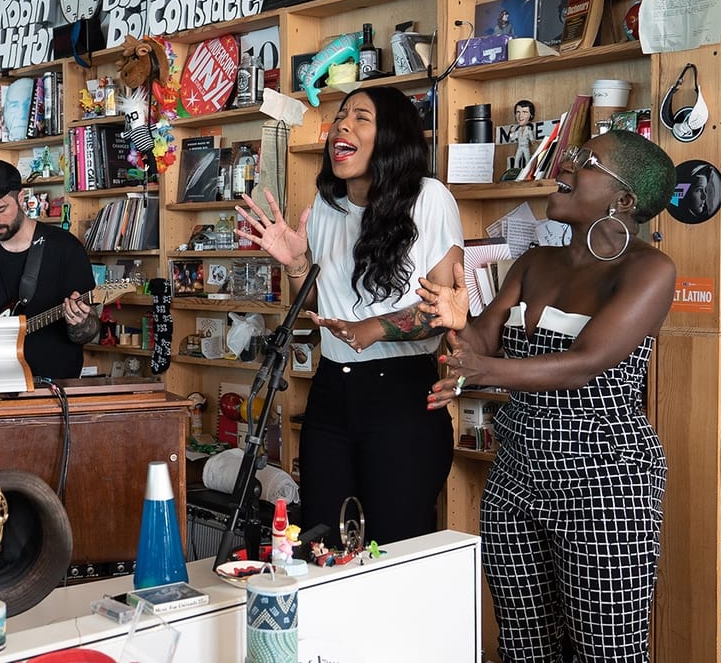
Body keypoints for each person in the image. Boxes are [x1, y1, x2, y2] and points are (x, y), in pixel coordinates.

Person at [418, 131, 676, 661]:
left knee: (606, 649)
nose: (566, 164)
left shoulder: (649, 270)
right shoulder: (534, 262)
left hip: (604, 478)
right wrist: (456, 323)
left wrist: (484, 369)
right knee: (523, 644)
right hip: (514, 474)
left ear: (623, 200)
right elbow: (481, 342)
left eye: (587, 161)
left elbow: (586, 364)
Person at [235, 86, 464, 546]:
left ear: (393, 137)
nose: (342, 125)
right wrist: (297, 264)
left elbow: (447, 307)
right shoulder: (325, 205)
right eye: (340, 117)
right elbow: (320, 304)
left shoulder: (429, 198)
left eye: (361, 117)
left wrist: (373, 329)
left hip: (402, 396)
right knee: (323, 541)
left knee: (396, 548)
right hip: (331, 390)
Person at [0, 159, 98, 379]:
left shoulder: (65, 249)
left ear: (21, 198)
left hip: (53, 386)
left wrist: (80, 322)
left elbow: (88, 333)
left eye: (1, 209)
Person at [508, 100, 537, 167]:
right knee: (517, 160)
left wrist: (533, 142)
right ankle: (515, 171)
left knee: (527, 160)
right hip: (519, 147)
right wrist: (512, 132)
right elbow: (512, 138)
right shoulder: (518, 131)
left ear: (531, 115)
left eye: (525, 112)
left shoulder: (529, 131)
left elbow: (532, 140)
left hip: (526, 147)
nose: (520, 115)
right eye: (518, 112)